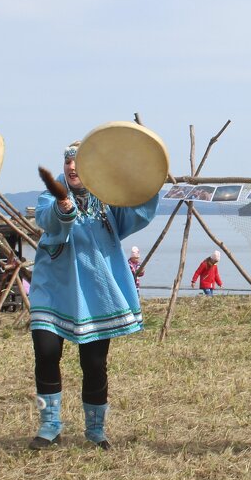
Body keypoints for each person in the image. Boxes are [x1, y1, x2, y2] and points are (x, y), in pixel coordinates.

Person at [26, 142, 157, 450]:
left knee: (94, 363)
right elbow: (47, 219)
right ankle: (49, 426)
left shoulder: (108, 199)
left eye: (80, 163)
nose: (72, 167)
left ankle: (95, 430)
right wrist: (64, 207)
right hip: (54, 289)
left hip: (96, 292)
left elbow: (137, 208)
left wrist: (148, 176)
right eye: (68, 162)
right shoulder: (52, 194)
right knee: (45, 352)